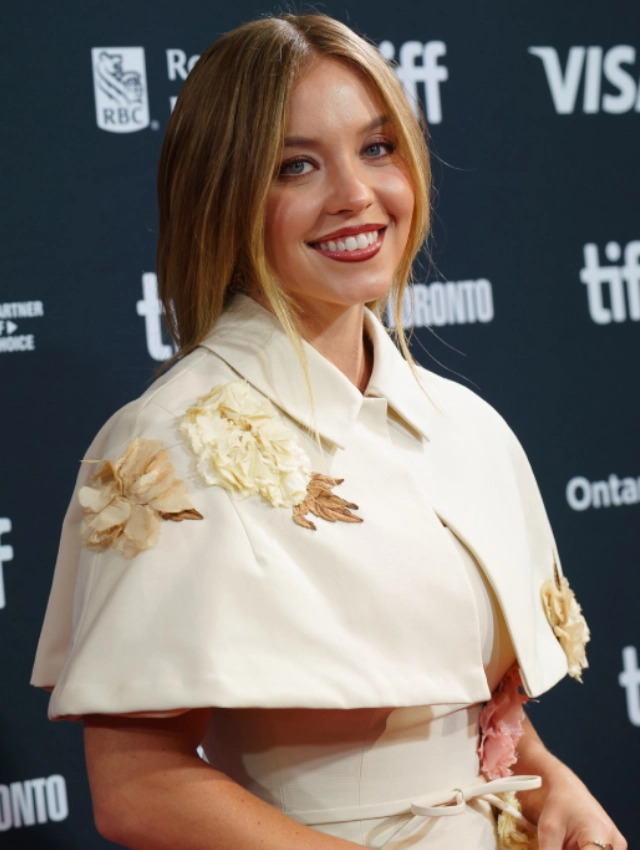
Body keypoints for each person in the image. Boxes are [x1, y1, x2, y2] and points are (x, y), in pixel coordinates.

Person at [31, 13, 625, 850]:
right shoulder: (168, 445)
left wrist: (554, 786)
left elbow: (457, 707)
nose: (355, 193)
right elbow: (136, 788)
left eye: (378, 148)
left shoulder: (467, 425)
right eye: (296, 166)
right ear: (223, 197)